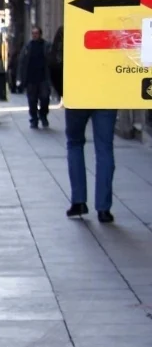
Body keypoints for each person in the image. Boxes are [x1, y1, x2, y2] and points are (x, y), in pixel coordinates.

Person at [57, 54, 117, 223]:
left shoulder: (69, 29)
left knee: (75, 144)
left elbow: (55, 60)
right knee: (105, 149)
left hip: (78, 91)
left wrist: (63, 91)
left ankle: (78, 201)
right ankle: (104, 209)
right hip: (107, 91)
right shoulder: (113, 27)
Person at [18, 26, 51, 129]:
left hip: (43, 78)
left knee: (45, 98)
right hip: (31, 78)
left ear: (40, 34)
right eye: (33, 33)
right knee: (32, 101)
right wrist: (20, 78)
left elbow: (51, 60)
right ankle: (34, 119)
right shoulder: (28, 46)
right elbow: (22, 62)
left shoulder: (46, 46)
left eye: (36, 33)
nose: (34, 35)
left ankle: (43, 115)